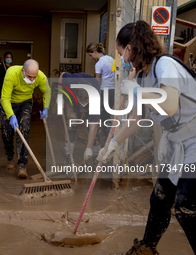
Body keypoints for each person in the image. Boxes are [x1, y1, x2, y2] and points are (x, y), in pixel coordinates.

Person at [97, 20, 196, 254]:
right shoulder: (142, 77)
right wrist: (113, 143)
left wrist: (135, 91)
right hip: (178, 141)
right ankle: (147, 249)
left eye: (122, 52)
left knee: (185, 206)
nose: (122, 59)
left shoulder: (165, 65)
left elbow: (170, 105)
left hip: (194, 140)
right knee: (160, 198)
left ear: (132, 47)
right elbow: (135, 119)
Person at [0, 59, 51, 178]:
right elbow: (5, 98)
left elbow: (47, 91)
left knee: (24, 130)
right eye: (29, 76)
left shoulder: (41, 77)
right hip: (9, 102)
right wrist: (11, 115)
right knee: (6, 133)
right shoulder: (11, 73)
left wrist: (46, 107)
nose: (32, 80)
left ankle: (22, 165)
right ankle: (9, 157)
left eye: (34, 77)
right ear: (23, 71)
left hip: (25, 103)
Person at [59, 72, 100, 166]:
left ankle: (96, 155)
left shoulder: (96, 96)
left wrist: (88, 148)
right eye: (82, 102)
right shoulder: (69, 82)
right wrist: (59, 96)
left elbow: (93, 126)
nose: (83, 105)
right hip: (72, 101)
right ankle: (68, 156)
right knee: (71, 126)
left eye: (85, 102)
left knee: (95, 128)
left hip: (91, 101)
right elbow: (62, 74)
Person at [86, 42, 115, 137]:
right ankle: (108, 139)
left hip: (104, 91)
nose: (91, 58)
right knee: (107, 115)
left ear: (94, 52)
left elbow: (97, 82)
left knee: (96, 115)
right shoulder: (111, 59)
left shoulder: (99, 64)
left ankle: (98, 139)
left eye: (91, 55)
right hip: (113, 91)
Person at [0, 51, 13, 129]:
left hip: (9, 89)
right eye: (7, 57)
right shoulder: (1, 66)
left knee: (8, 106)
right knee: (1, 105)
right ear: (4, 58)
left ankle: (7, 122)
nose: (9, 59)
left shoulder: (11, 68)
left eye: (10, 57)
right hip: (1, 88)